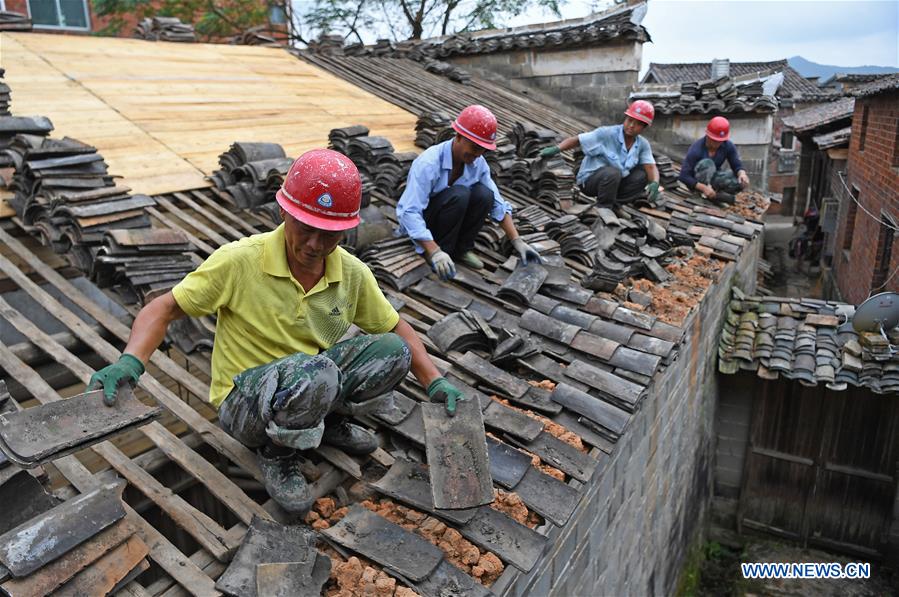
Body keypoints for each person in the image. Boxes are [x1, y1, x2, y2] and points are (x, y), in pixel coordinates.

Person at [88, 149, 465, 515]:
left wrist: (434, 382)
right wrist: (130, 362)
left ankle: (324, 419)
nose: (315, 245)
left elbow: (397, 326)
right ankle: (277, 453)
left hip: (310, 383)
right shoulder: (240, 261)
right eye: (305, 229)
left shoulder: (351, 274)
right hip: (245, 402)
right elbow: (163, 308)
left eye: (328, 235)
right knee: (317, 372)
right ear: (284, 212)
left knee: (392, 350)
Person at [396, 104, 541, 281]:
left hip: (448, 218)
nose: (477, 154)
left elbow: (496, 201)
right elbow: (409, 212)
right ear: (458, 136)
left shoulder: (478, 163)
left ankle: (461, 250)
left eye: (482, 150)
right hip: (425, 224)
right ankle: (439, 251)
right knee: (460, 194)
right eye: (473, 147)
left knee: (484, 194)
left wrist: (517, 240)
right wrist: (434, 251)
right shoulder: (429, 164)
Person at [539, 100, 661, 206]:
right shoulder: (607, 133)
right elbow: (577, 140)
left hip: (614, 183)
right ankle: (604, 207)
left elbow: (651, 167)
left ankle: (615, 204)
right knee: (613, 172)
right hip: (590, 182)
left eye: (638, 124)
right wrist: (556, 149)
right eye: (630, 120)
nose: (631, 126)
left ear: (644, 127)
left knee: (642, 175)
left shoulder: (642, 144)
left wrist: (655, 182)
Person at [678, 116, 750, 204]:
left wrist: (742, 174)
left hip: (713, 177)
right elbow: (684, 176)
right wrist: (703, 187)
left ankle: (715, 193)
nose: (717, 144)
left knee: (737, 181)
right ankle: (702, 193)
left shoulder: (727, 146)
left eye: (720, 141)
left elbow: (736, 164)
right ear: (708, 136)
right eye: (714, 140)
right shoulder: (696, 149)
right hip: (697, 181)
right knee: (708, 163)